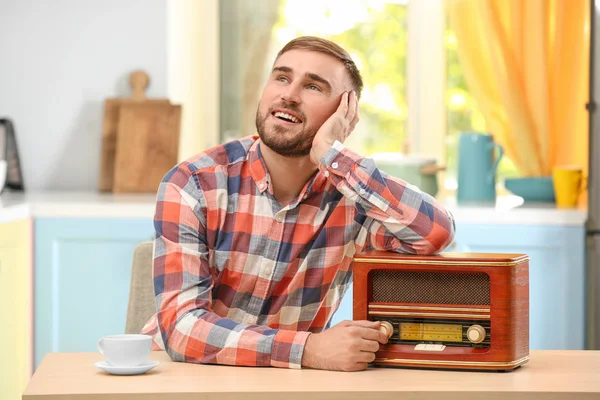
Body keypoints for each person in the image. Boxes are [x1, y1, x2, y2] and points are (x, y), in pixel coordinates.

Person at [141, 36, 455, 372]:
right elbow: (181, 330)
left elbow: (435, 233)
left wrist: (333, 157)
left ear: (344, 112)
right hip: (181, 376)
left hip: (288, 385)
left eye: (313, 87)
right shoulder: (193, 183)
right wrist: (310, 350)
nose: (289, 95)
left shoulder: (355, 199)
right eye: (281, 77)